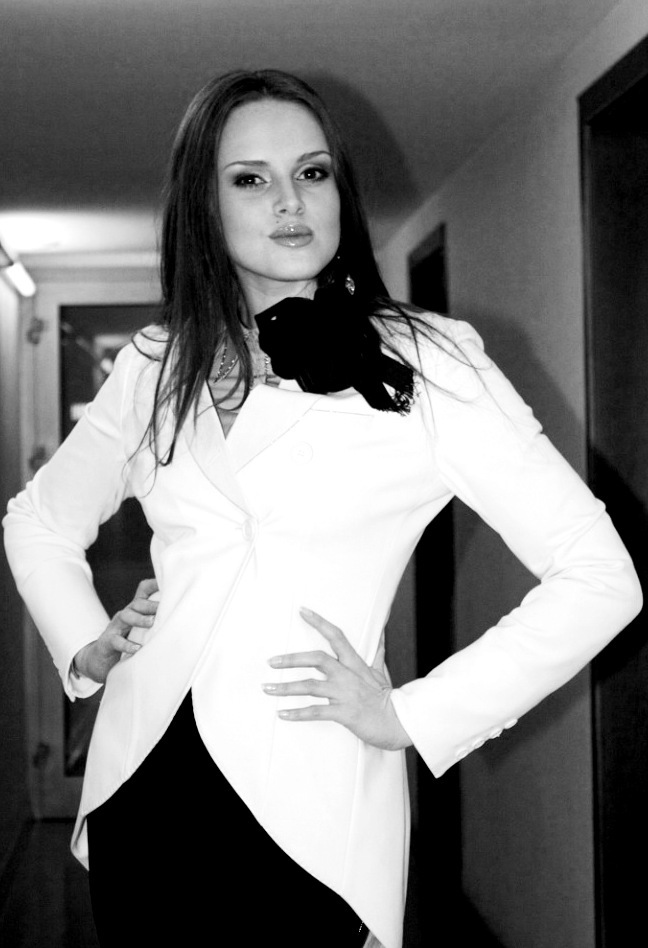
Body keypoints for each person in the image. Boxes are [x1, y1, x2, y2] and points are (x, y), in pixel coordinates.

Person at [2, 68, 642, 948]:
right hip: (140, 785)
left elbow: (600, 577)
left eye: (312, 172)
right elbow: (38, 519)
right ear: (203, 206)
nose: (290, 202)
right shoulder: (156, 362)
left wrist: (415, 713)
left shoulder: (431, 360)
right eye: (250, 179)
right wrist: (85, 640)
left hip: (309, 807)